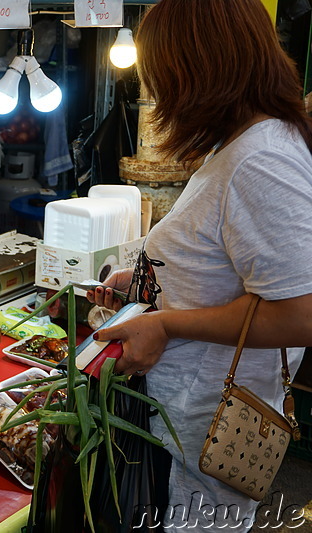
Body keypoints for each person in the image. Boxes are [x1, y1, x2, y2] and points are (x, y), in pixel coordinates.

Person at [87, 0, 312, 530]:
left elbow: (301, 314)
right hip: (180, 426)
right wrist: (148, 282)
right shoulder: (240, 145)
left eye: (164, 75)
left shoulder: (262, 161)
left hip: (200, 441)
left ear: (200, 69)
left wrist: (164, 323)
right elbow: (223, 265)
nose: (159, 93)